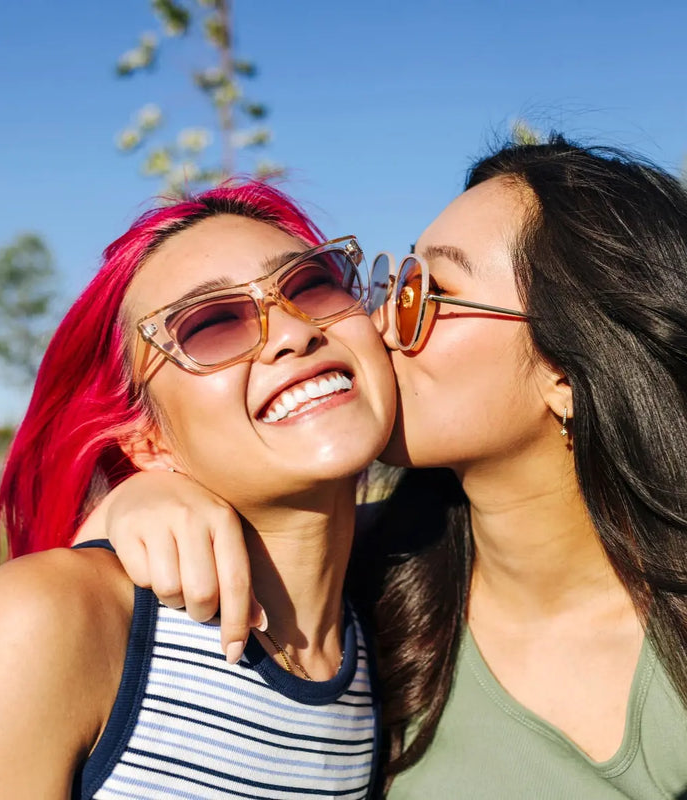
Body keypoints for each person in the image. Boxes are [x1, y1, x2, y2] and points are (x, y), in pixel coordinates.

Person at [83, 136, 687, 798]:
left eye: (431, 292)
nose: (377, 321)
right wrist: (138, 501)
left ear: (566, 373)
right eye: (395, 284)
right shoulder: (370, 585)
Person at [0, 181, 397, 799]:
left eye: (312, 284)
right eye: (211, 325)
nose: (293, 332)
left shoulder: (395, 625)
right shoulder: (53, 617)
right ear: (147, 440)